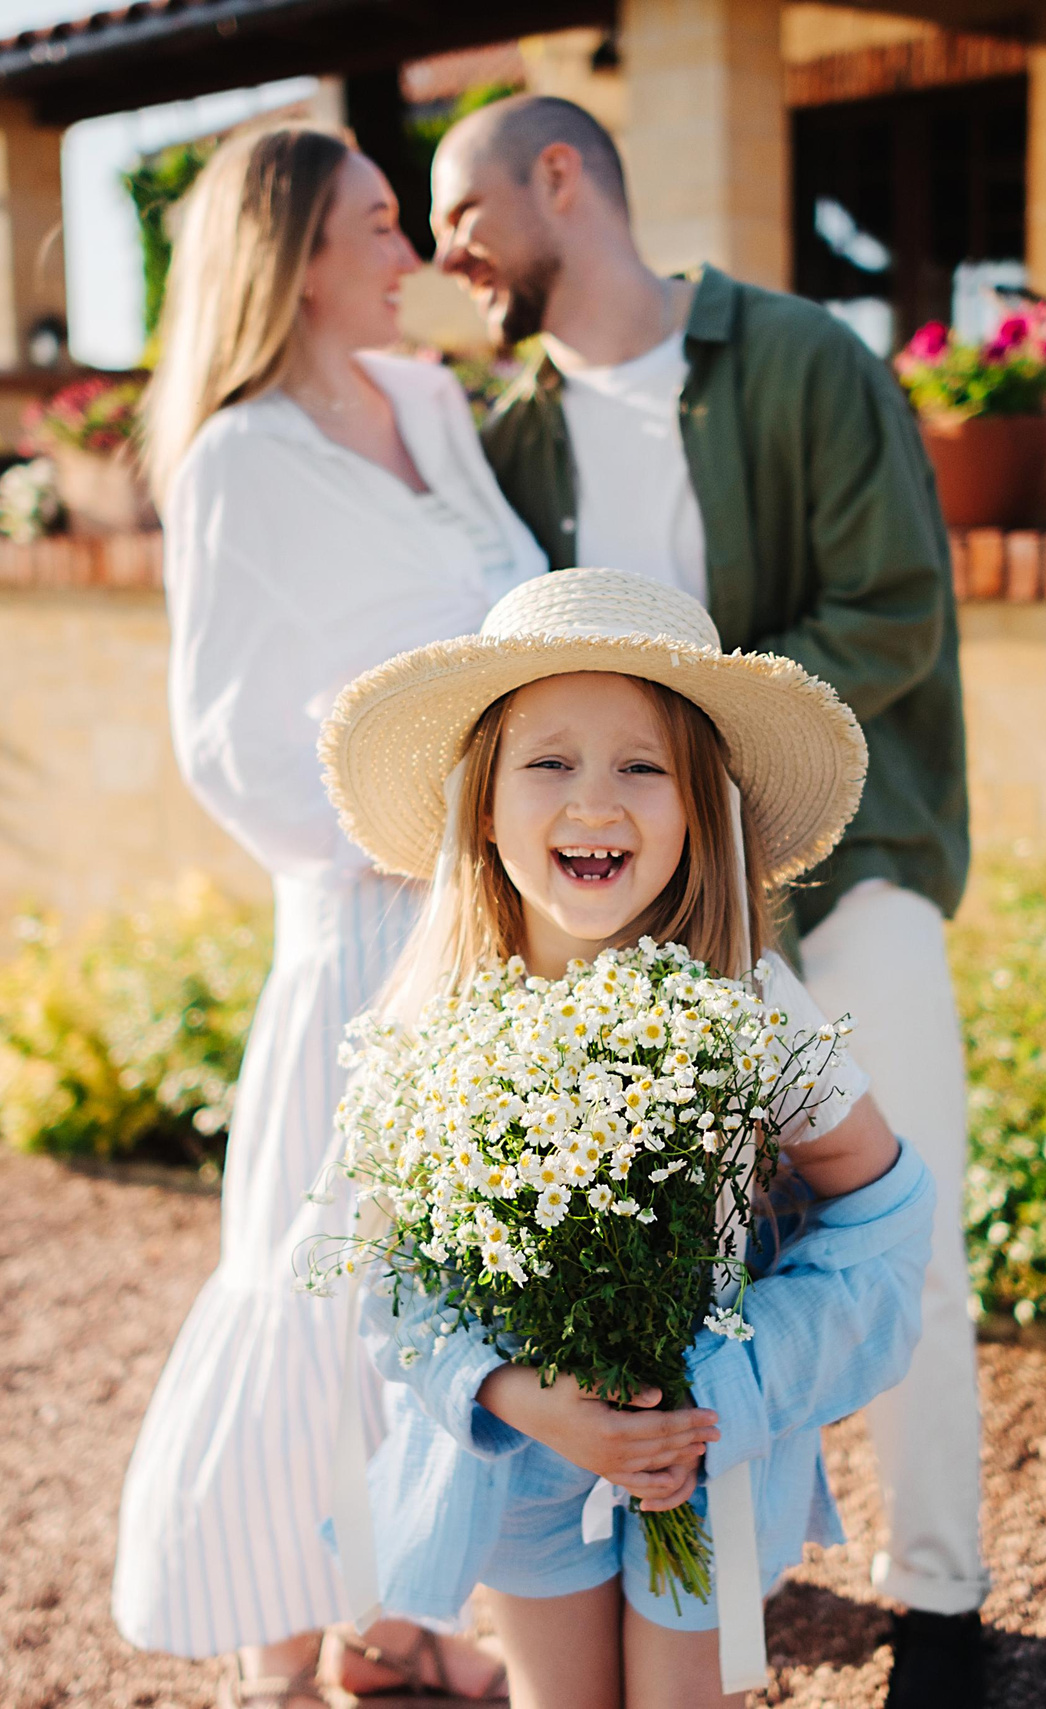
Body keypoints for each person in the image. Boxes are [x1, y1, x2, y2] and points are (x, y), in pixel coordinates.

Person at [426, 95, 991, 1705]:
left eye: (460, 213)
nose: (449, 256)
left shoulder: (803, 359)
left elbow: (892, 612)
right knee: (644, 1236)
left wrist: (709, 772)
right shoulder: (511, 430)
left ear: (560, 178)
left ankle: (939, 1602)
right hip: (636, 901)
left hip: (845, 862)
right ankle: (658, 1537)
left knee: (904, 1211)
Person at [317, 568, 934, 1709]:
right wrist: (519, 1395)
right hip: (524, 1459)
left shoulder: (745, 1003)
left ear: (698, 808)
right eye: (548, 762)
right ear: (483, 803)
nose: (594, 802)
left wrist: (729, 1378)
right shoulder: (436, 1020)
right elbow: (389, 1280)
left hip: (701, 1457)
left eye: (642, 767)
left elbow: (885, 1207)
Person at [108, 124, 543, 1709]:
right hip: (364, 929)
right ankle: (274, 1652)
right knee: (322, 1281)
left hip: (489, 930)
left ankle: (388, 1620)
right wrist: (413, 839)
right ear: (293, 255)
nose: (406, 253)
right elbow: (227, 745)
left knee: (446, 1289)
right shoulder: (236, 458)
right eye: (376, 224)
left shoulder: (429, 402)